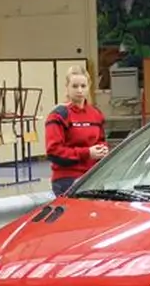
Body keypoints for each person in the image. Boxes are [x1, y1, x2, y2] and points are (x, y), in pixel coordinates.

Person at [45, 65, 108, 196]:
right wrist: (87, 153)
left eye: (83, 86)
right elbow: (54, 152)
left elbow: (101, 140)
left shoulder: (96, 114)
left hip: (93, 175)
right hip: (67, 178)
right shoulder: (58, 115)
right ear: (67, 87)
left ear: (88, 87)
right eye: (74, 86)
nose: (79, 90)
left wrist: (103, 149)